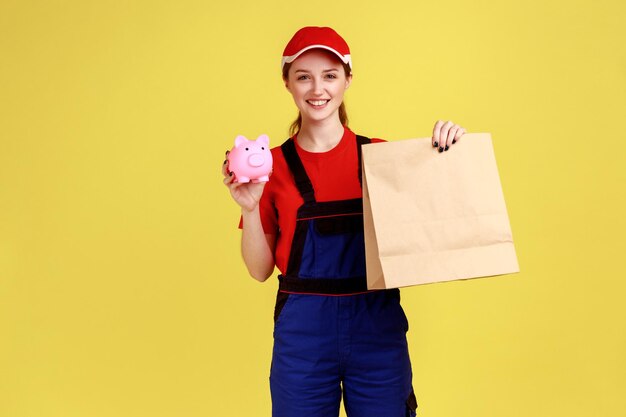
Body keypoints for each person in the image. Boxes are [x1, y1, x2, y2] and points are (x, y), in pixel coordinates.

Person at [222, 26, 466, 417]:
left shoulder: (384, 158)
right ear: (287, 83)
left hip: (376, 331)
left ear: (348, 80)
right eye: (304, 76)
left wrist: (449, 151)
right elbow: (258, 270)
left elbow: (440, 227)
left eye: (330, 75)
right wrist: (250, 207)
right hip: (303, 337)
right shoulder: (271, 168)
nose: (317, 88)